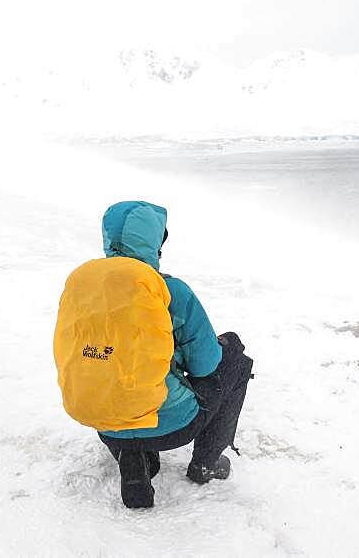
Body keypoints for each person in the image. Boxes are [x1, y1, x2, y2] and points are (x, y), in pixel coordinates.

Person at [94, 201, 253, 508]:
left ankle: (134, 457)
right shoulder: (171, 293)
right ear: (152, 243)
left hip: (107, 424)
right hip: (170, 425)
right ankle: (204, 464)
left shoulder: (87, 293)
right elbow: (207, 365)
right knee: (234, 358)